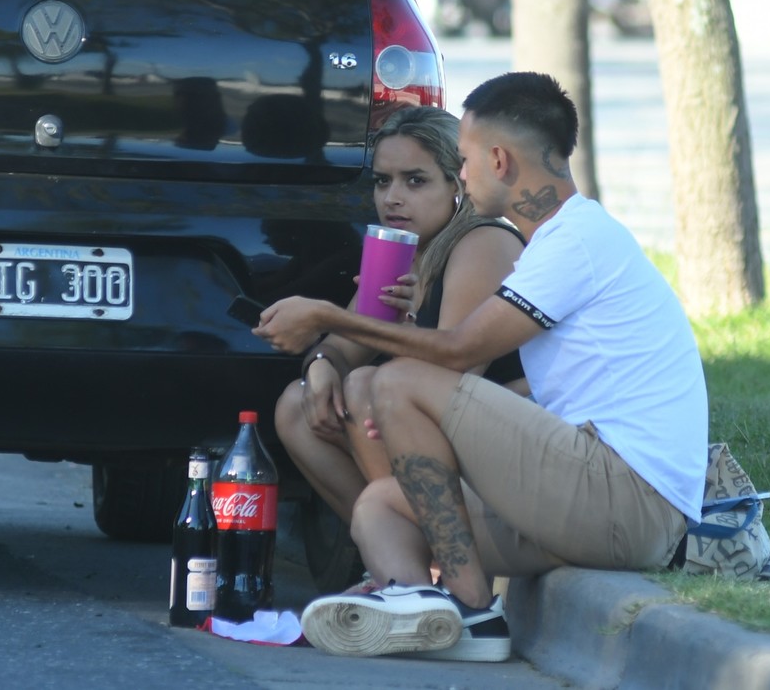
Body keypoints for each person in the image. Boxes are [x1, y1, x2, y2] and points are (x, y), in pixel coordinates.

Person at [255, 72, 708, 663]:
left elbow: (459, 353)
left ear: (498, 159)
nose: (463, 176)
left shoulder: (577, 239)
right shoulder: (554, 242)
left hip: (631, 501)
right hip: (587, 492)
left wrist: (324, 315)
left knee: (395, 381)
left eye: (463, 161)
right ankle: (420, 602)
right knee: (382, 506)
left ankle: (468, 605)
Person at [274, 106, 525, 583]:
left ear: (457, 184)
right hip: (435, 432)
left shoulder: (482, 242)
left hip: (510, 428)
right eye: (382, 181)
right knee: (298, 405)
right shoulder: (400, 249)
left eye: (415, 181)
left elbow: (452, 373)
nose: (392, 197)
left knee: (369, 387)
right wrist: (322, 364)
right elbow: (340, 345)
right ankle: (392, 552)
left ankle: (429, 566)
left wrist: (405, 319)